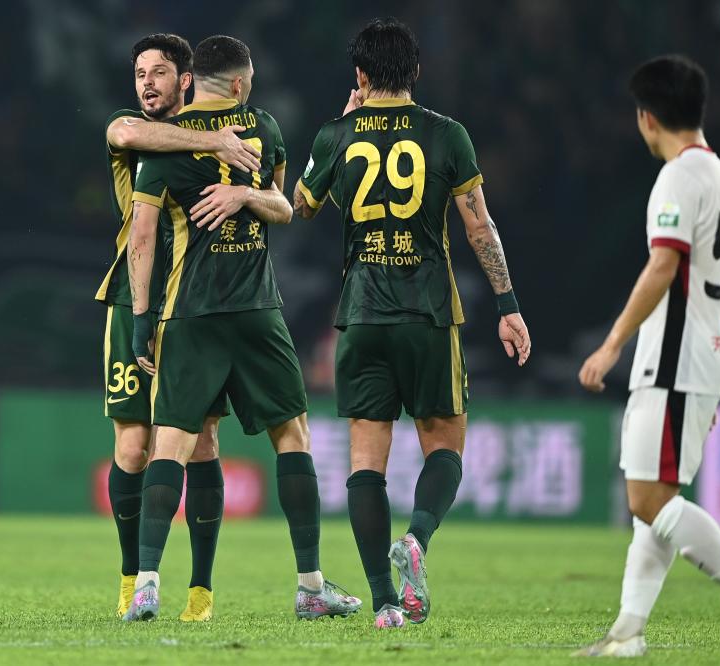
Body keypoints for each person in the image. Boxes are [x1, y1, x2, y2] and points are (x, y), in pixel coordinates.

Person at [293, 18, 531, 629]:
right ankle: (418, 539)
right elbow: (479, 226)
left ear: (360, 75)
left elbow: (296, 206)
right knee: (445, 446)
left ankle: (383, 603)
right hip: (427, 313)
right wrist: (507, 306)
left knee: (365, 464)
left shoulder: (337, 135)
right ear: (416, 72)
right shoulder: (448, 136)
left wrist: (341, 125)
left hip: (362, 315)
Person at [123, 34, 362, 623]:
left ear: (190, 80)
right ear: (237, 82)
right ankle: (309, 585)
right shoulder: (263, 128)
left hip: (193, 313)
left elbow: (144, 237)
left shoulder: (164, 143)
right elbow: (288, 208)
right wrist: (252, 193)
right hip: (252, 310)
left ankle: (148, 583)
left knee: (171, 442)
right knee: (292, 436)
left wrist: (140, 319)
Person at [575, 55, 720, 659]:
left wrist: (612, 342)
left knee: (647, 500)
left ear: (647, 118)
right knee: (656, 501)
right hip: (700, 355)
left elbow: (664, 265)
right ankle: (628, 632)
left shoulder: (678, 177)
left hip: (674, 357)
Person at [95, 32, 263, 622]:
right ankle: (129, 582)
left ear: (186, 80)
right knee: (134, 446)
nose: (146, 82)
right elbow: (125, 133)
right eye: (139, 71)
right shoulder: (135, 129)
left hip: (198, 304)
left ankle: (200, 591)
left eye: (160, 72)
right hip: (132, 301)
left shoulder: (225, 136)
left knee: (203, 443)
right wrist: (214, 137)